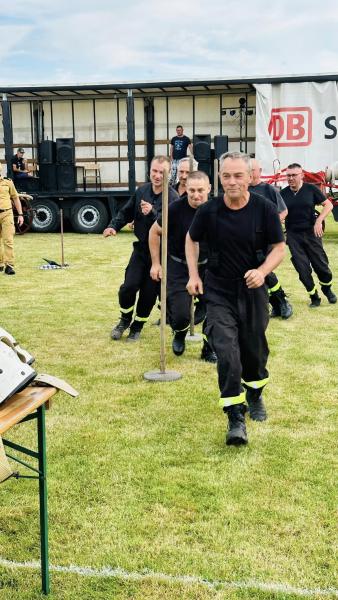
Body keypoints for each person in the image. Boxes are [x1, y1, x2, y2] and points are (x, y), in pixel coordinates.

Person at [186, 152, 285, 446]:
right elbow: (191, 239)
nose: (232, 182)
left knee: (253, 350)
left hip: (253, 290)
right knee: (226, 351)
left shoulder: (264, 209)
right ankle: (235, 417)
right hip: (218, 291)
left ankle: (254, 395)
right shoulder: (209, 211)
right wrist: (194, 275)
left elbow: (279, 247)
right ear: (219, 178)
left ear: (250, 177)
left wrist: (263, 270)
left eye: (238, 176)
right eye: (226, 176)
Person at [103, 156, 179, 341]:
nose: (157, 175)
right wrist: (114, 225)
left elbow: (170, 226)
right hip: (141, 250)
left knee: (149, 293)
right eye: (155, 171)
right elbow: (127, 211)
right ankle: (124, 320)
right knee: (128, 287)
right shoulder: (142, 190)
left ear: (169, 175)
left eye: (162, 172)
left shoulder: (173, 197)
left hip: (161, 254)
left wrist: (152, 212)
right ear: (149, 171)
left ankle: (137, 327)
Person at [149, 170, 217, 362]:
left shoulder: (216, 208)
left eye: (201, 190)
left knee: (214, 310)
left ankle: (209, 348)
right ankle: (179, 332)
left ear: (209, 189)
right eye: (192, 190)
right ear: (185, 189)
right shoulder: (174, 209)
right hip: (178, 266)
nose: (196, 195)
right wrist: (156, 263)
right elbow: (154, 233)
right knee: (180, 315)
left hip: (208, 266)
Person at [281, 163, 336, 307]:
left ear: (302, 176)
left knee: (322, 266)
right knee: (302, 269)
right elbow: (278, 213)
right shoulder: (283, 194)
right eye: (288, 175)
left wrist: (319, 220)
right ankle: (314, 297)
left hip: (311, 233)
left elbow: (329, 205)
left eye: (294, 175)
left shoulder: (311, 189)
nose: (291, 178)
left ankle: (327, 289)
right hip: (293, 236)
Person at [249, 158, 292, 319]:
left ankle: (282, 302)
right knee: (261, 270)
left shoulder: (269, 190)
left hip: (265, 238)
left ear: (260, 171)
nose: (250, 173)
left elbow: (283, 211)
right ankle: (278, 303)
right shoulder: (243, 190)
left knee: (264, 267)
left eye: (253, 170)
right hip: (247, 239)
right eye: (248, 170)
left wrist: (270, 226)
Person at [0, 164, 24, 275]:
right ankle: (0, 263)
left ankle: (9, 266)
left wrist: (20, 214)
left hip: (7, 214)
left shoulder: (8, 182)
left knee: (8, 240)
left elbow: (15, 198)